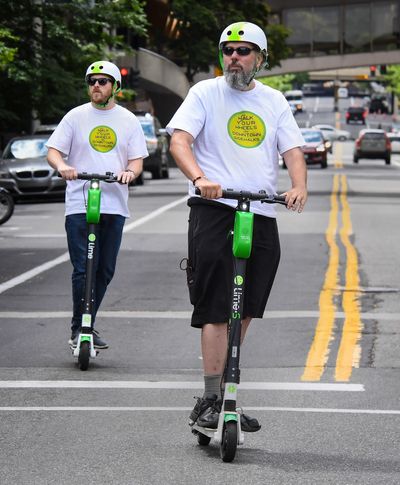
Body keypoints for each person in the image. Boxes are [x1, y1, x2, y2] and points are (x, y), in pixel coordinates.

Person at [167, 22, 307, 432]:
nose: (234, 57)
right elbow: (179, 141)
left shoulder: (274, 100)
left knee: (244, 308)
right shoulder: (204, 93)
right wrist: (199, 178)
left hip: (261, 213)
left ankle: (224, 394)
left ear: (260, 58)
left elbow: (293, 149)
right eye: (228, 50)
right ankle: (213, 397)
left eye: (244, 51)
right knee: (216, 305)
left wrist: (299, 186)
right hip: (214, 209)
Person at [47, 60, 148, 349]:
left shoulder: (128, 120)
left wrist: (130, 172)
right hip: (80, 202)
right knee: (83, 268)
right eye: (92, 81)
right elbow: (53, 151)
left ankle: (87, 321)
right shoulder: (76, 117)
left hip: (114, 204)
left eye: (103, 81)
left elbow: (137, 160)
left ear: (115, 86)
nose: (96, 86)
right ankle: (80, 327)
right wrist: (63, 166)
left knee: (104, 270)